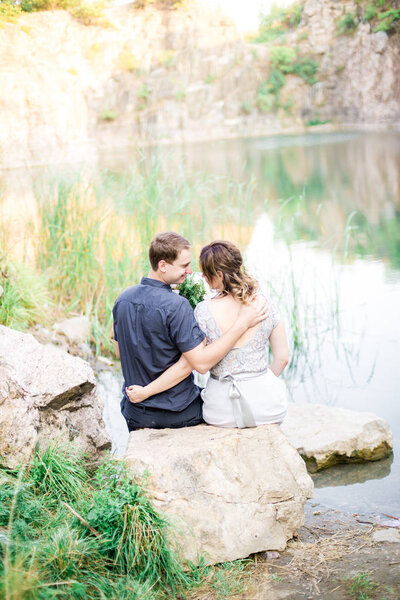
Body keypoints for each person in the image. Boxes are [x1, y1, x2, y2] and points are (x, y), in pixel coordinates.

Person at [113, 232, 268, 431]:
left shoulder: (123, 299)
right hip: (178, 413)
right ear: (163, 265)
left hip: (135, 414)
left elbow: (120, 352)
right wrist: (241, 324)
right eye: (184, 265)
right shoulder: (177, 306)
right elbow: (199, 363)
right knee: (226, 408)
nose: (189, 271)